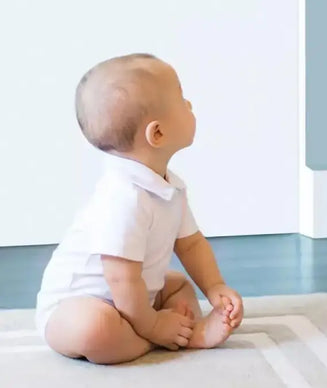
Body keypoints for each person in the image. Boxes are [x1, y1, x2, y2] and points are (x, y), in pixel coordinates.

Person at [35, 53, 244, 365]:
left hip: (136, 295)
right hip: (77, 306)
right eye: (182, 99)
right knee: (96, 328)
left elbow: (190, 244)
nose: (190, 105)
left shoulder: (169, 187)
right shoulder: (123, 197)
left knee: (178, 285)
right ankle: (161, 339)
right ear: (157, 133)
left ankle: (170, 329)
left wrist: (214, 286)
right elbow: (120, 279)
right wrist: (154, 326)